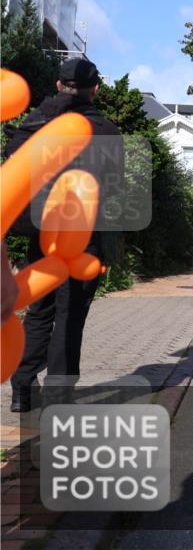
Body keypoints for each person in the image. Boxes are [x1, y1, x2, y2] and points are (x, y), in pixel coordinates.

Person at [5, 58, 124, 412]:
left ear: (58, 85)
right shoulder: (105, 131)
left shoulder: (36, 123)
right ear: (96, 89)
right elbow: (114, 189)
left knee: (39, 311)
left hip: (40, 232)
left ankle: (22, 388)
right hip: (82, 238)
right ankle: (59, 398)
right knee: (69, 315)